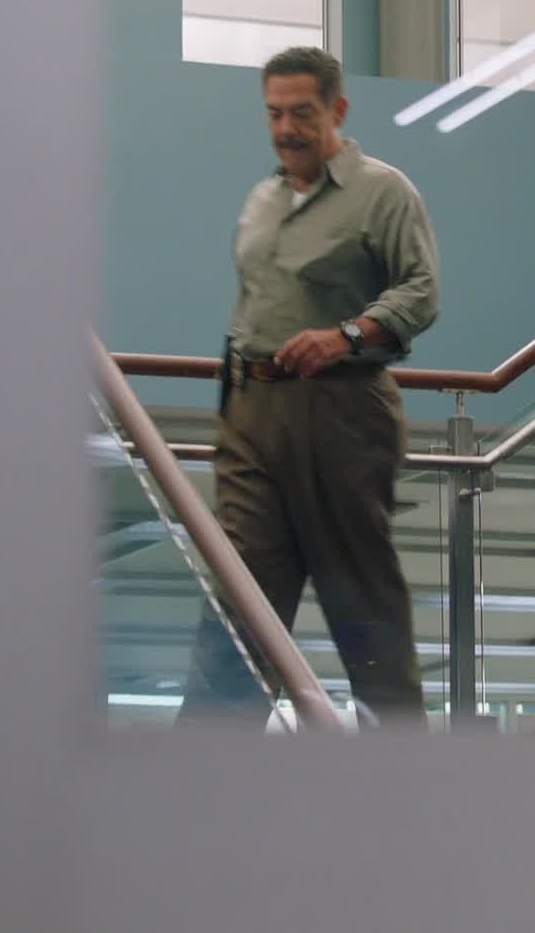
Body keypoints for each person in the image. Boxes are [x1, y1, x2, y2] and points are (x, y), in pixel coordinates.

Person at [178, 46, 441, 729]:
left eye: (301, 113)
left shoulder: (381, 192)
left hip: (340, 410)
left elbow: (421, 291)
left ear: (337, 109)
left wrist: (347, 335)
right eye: (274, 114)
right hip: (250, 412)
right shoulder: (261, 200)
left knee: (359, 594)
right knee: (239, 593)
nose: (286, 129)